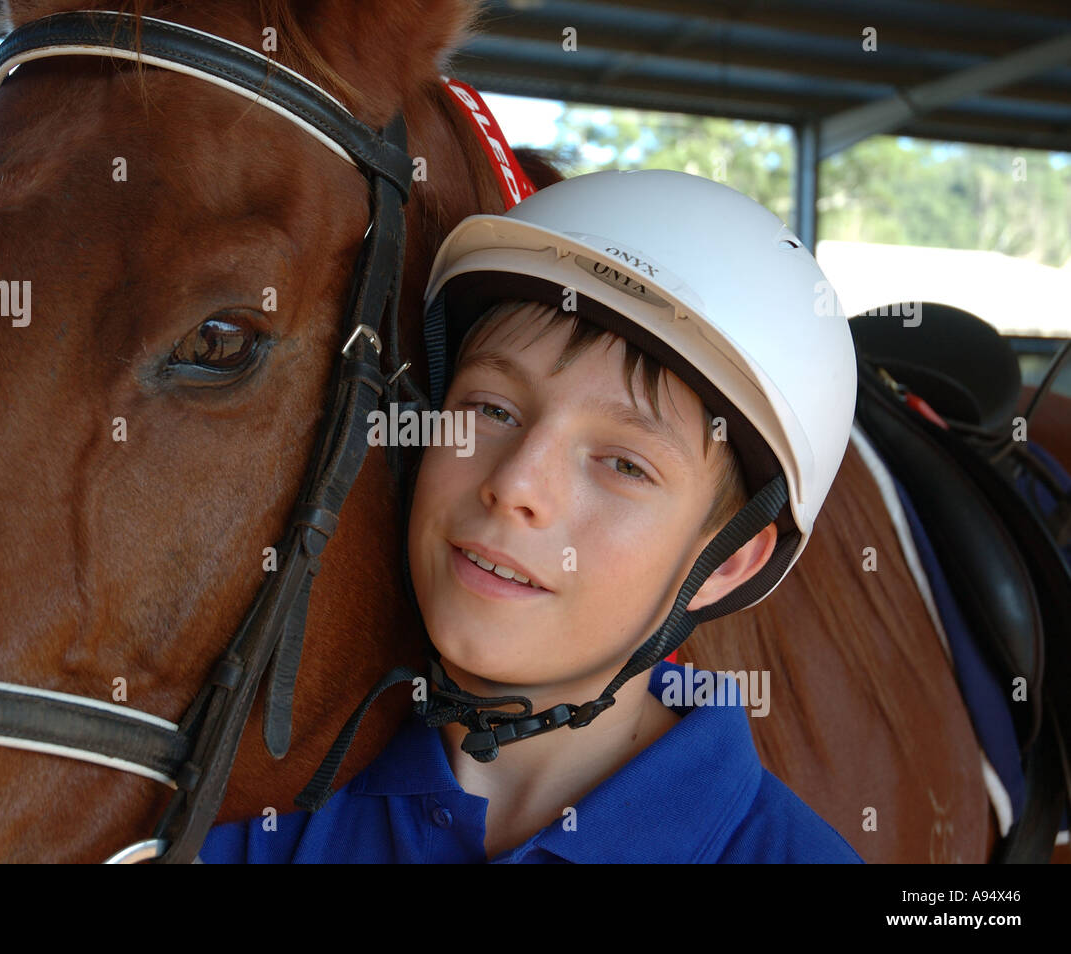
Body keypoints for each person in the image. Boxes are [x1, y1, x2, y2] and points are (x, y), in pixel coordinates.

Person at [198, 169, 862, 863]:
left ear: (727, 561)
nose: (515, 484)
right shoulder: (245, 807)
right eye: (492, 411)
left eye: (625, 465)